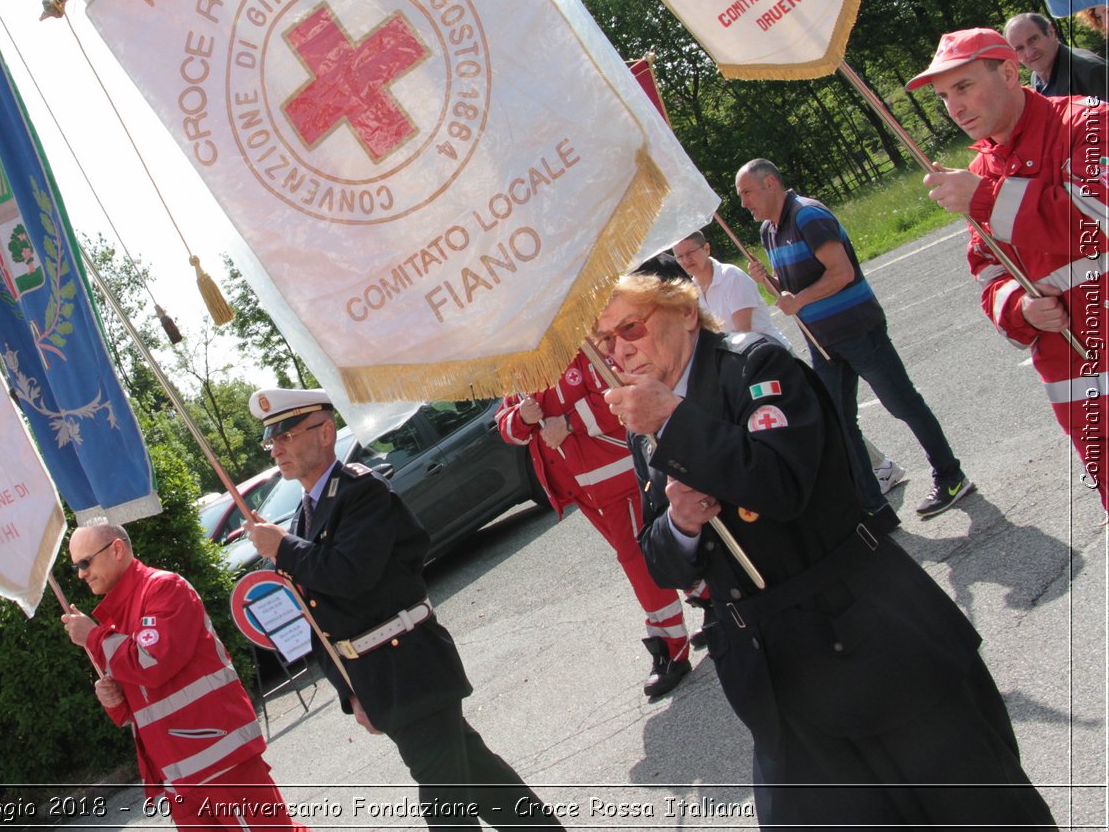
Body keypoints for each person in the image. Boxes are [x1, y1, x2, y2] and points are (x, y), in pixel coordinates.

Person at [595, 271, 1056, 828]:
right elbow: (660, 559)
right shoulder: (640, 422)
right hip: (776, 682)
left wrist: (675, 420)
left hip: (868, 639)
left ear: (686, 314)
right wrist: (682, 523)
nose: (620, 350)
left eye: (631, 327)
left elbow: (783, 485)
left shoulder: (754, 366)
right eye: (606, 342)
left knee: (978, 812)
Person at [242, 388, 561, 830]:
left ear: (325, 432)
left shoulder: (362, 492)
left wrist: (285, 549)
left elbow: (351, 575)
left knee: (446, 808)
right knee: (481, 778)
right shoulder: (303, 518)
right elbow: (318, 615)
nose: (276, 448)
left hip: (410, 664)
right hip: (379, 677)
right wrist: (349, 690)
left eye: (287, 434)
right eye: (271, 441)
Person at [915, 28, 1108, 514]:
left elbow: (1095, 220)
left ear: (1007, 71)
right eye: (943, 97)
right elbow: (987, 275)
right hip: (1073, 380)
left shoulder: (1087, 122)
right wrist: (1019, 307)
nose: (953, 107)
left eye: (963, 87)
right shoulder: (976, 172)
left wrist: (985, 199)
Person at [736, 159, 972, 519]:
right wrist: (766, 280)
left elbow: (841, 272)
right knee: (840, 423)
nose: (743, 203)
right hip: (822, 342)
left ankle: (950, 476)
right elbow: (791, 294)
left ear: (770, 183)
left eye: (746, 193)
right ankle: (874, 507)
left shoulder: (808, 216)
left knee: (902, 403)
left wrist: (798, 299)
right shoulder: (769, 231)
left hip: (858, 330)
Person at [61, 523, 306, 832]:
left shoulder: (164, 588)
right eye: (76, 566)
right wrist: (113, 700)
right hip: (180, 775)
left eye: (85, 562)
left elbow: (152, 663)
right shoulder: (118, 613)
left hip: (219, 759)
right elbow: (138, 705)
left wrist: (94, 638)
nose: (81, 573)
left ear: (117, 550)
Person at [495, 351, 691, 697]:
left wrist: (568, 423)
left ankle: (671, 644)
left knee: (640, 561)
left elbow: (616, 396)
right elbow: (506, 427)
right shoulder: (520, 370)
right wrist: (522, 418)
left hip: (616, 479)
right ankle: (707, 596)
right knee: (651, 554)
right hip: (583, 490)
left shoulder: (577, 351)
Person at [670, 230, 907, 495]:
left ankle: (881, 468)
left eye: (690, 252)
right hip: (747, 370)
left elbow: (742, 332)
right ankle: (854, 475)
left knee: (824, 417)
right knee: (800, 424)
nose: (685, 260)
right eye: (679, 256)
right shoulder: (692, 291)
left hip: (774, 360)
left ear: (707, 248)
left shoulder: (730, 277)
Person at [1003, 12, 1108, 99]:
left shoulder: (1090, 71)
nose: (1029, 53)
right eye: (1020, 48)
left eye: (1033, 39)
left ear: (1051, 32)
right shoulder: (1036, 78)